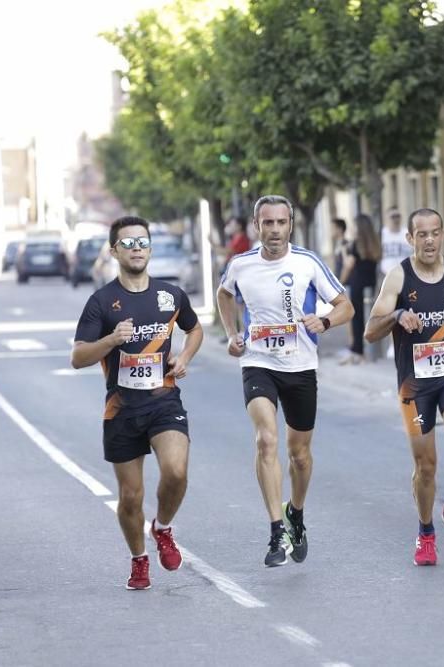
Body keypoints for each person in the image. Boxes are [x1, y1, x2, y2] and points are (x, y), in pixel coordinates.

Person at [217, 195, 353, 567]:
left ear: (290, 224)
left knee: (300, 455)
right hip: (258, 362)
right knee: (266, 441)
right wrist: (232, 334)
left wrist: (324, 322)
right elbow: (224, 294)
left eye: (281, 222)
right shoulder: (241, 265)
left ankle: (296, 512)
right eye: (267, 223)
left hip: (300, 366)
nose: (274, 230)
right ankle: (276, 530)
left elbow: (346, 306)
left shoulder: (307, 262)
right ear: (256, 226)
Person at [71, 216, 203, 591]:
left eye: (142, 242)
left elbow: (194, 328)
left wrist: (185, 357)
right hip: (121, 409)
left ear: (150, 247)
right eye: (127, 244)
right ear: (114, 251)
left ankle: (162, 527)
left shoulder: (170, 295)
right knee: (130, 497)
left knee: (176, 473)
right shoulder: (100, 302)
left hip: (163, 401)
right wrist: (112, 340)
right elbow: (78, 357)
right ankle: (139, 559)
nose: (136, 249)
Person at [364, 207, 444, 567]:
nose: (429, 240)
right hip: (415, 385)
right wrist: (398, 315)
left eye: (435, 233)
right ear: (410, 239)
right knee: (426, 466)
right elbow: (370, 331)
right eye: (422, 234)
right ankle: (426, 532)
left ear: (442, 234)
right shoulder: (398, 279)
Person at [339, 214, 381, 365]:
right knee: (371, 318)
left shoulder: (355, 245)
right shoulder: (374, 243)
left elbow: (348, 264)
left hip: (357, 286)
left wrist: (344, 252)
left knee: (357, 320)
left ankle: (358, 352)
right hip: (370, 284)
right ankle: (370, 353)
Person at [379, 208, 412, 358]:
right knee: (389, 312)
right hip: (387, 278)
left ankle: (405, 344)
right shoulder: (382, 235)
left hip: (405, 278)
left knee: (406, 311)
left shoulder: (406, 234)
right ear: (387, 218)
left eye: (398, 215)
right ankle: (393, 345)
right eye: (392, 216)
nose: (395, 219)